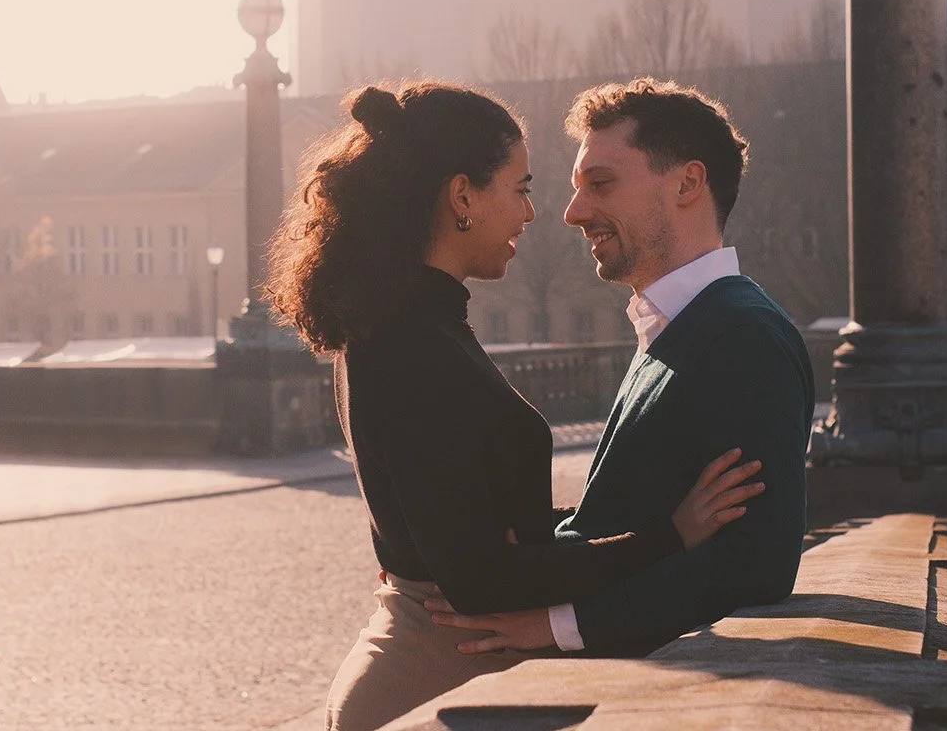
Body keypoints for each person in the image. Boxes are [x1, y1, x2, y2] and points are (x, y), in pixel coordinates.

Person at [267, 82, 765, 731]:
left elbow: (488, 533)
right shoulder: (411, 342)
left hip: (439, 672)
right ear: (463, 197)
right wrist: (667, 539)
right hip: (427, 687)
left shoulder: (415, 324)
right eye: (521, 187)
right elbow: (482, 576)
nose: (532, 214)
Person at [428, 78, 816, 657]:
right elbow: (627, 514)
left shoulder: (742, 336)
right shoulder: (685, 325)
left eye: (600, 185)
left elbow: (757, 562)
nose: (572, 212)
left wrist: (559, 626)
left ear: (688, 183)